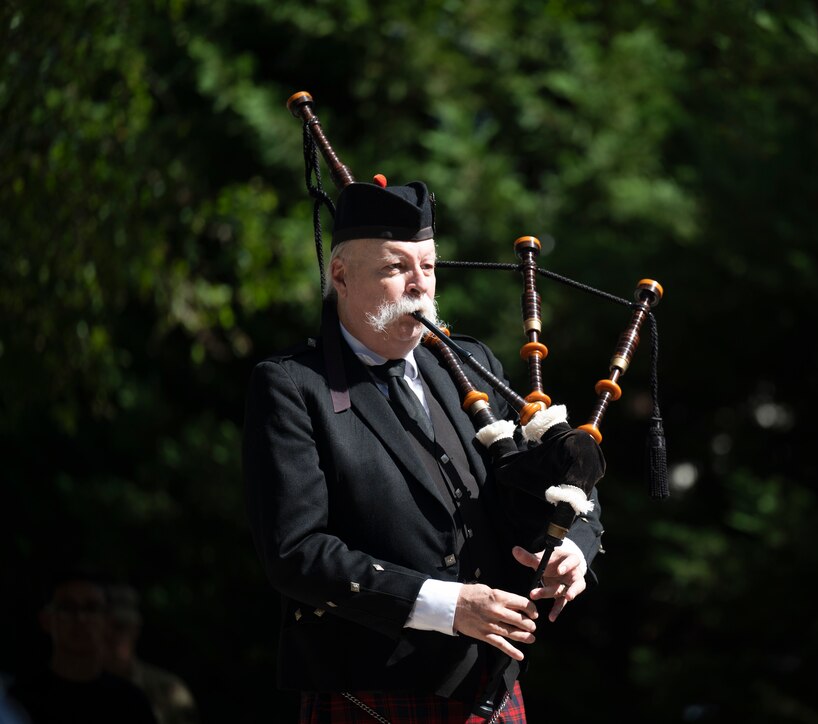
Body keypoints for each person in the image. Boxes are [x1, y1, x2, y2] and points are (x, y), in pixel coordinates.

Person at [242, 176, 605, 723]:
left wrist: (575, 544)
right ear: (341, 274)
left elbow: (554, 477)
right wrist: (447, 606)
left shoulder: (467, 363)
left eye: (429, 267)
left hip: (489, 689)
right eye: (395, 268)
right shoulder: (294, 386)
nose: (420, 287)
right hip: (369, 690)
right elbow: (295, 552)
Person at [7, 568, 158, 724]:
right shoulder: (18, 701)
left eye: (92, 608)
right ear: (47, 620)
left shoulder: (131, 702)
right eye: (67, 607)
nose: (81, 618)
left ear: (107, 620)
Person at [103, 583, 201, 724]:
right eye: (103, 628)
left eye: (120, 627)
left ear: (136, 629)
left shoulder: (167, 691)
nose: (110, 636)